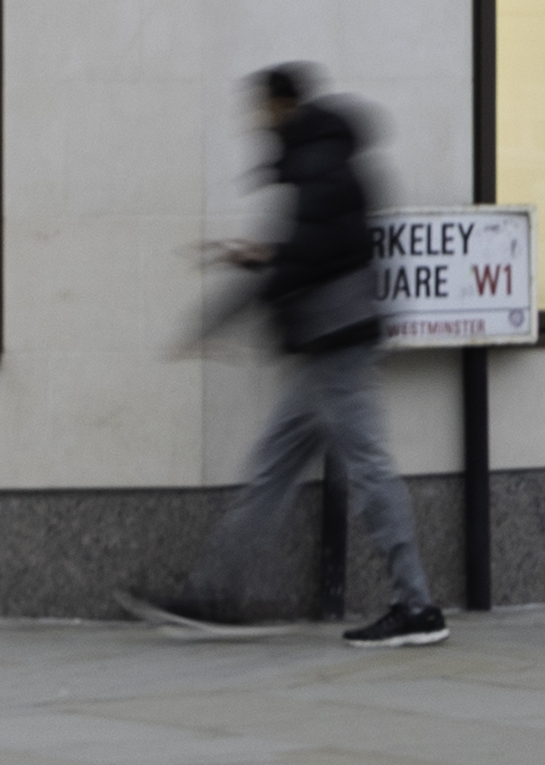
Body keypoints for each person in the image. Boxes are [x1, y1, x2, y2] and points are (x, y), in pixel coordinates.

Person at [123, 66, 442, 649]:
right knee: (271, 470)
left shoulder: (319, 165)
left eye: (260, 109)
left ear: (282, 106)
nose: (254, 121)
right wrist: (260, 257)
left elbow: (307, 257)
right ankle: (210, 596)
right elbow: (310, 249)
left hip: (337, 343)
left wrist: (226, 310)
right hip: (325, 347)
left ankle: (417, 606)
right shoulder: (320, 162)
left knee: (369, 469)